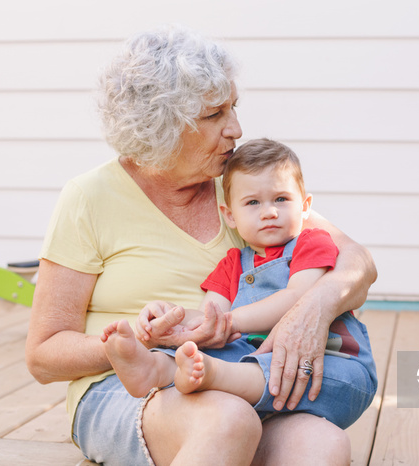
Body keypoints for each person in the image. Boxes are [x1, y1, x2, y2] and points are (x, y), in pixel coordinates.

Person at [25, 25, 377, 466]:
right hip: (128, 385)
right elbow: (43, 355)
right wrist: (143, 343)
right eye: (215, 115)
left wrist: (311, 309)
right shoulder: (88, 198)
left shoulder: (242, 190)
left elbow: (356, 261)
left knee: (323, 444)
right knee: (228, 420)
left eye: (233, 107)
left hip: (240, 372)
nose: (236, 128)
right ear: (161, 126)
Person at [101, 138, 376, 430]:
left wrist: (230, 322)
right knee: (208, 352)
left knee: (264, 366)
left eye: (281, 199)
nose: (269, 211)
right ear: (230, 215)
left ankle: (214, 376)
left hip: (329, 364)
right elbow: (210, 318)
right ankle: (154, 368)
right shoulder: (232, 264)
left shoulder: (311, 243)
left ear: (305, 206)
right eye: (253, 202)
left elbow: (295, 298)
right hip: (255, 363)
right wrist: (170, 315)